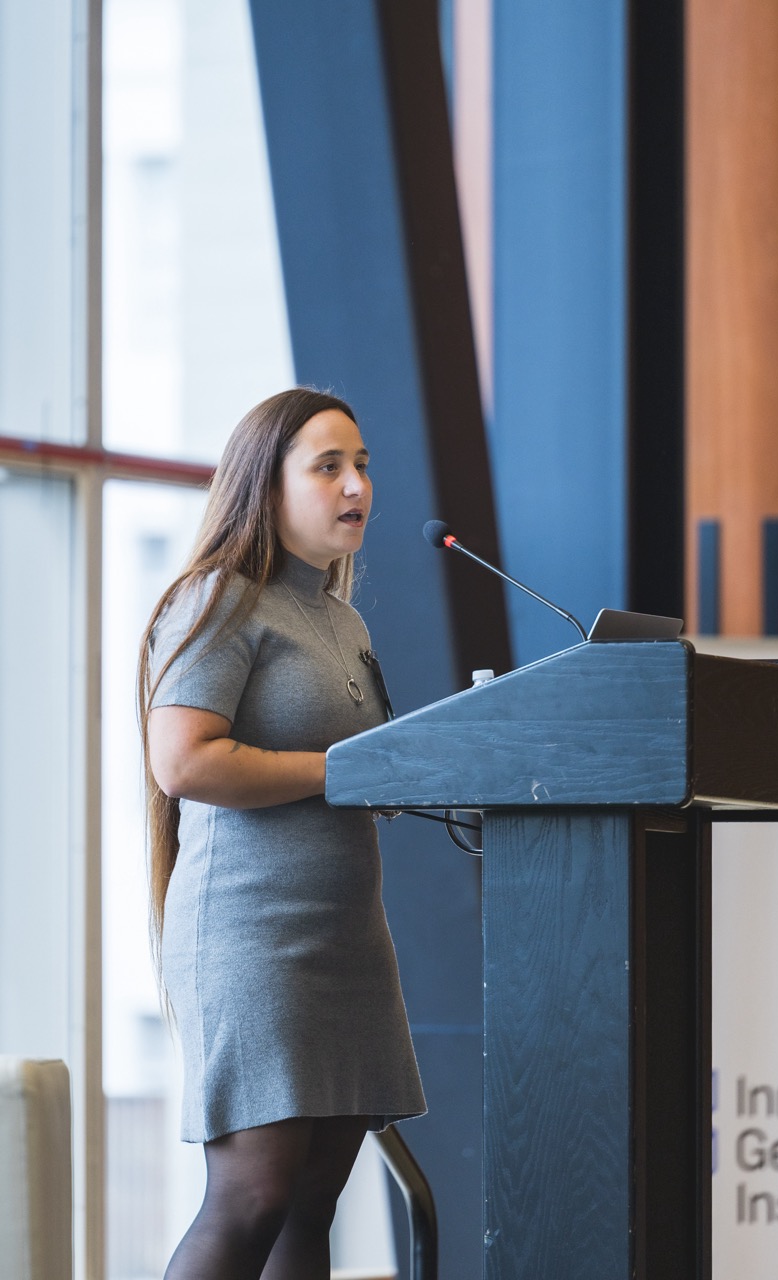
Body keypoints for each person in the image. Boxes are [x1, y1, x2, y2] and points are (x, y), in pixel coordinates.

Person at [138, 388, 426, 1279]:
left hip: (344, 938)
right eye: (328, 465)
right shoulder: (217, 602)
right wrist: (342, 774)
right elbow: (184, 764)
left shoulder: (343, 621)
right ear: (264, 488)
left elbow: (356, 764)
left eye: (363, 465)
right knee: (252, 1198)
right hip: (252, 935)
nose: (356, 486)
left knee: (312, 1204)